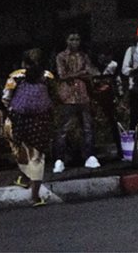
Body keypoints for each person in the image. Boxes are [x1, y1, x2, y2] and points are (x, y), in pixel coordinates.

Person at [4, 50, 55, 207]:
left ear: (24, 63)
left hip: (19, 120)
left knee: (21, 150)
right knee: (37, 158)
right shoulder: (48, 77)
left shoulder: (15, 76)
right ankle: (35, 196)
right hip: (40, 121)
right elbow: (54, 96)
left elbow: (5, 98)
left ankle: (24, 177)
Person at [53, 31, 102, 173]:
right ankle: (60, 159)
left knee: (88, 127)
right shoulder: (61, 56)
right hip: (68, 96)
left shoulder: (84, 56)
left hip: (83, 95)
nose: (75, 42)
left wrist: (82, 75)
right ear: (66, 40)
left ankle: (90, 156)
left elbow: (92, 72)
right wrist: (81, 74)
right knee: (64, 129)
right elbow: (62, 75)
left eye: (77, 39)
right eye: (72, 39)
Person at [90, 48, 124, 159]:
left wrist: (120, 95)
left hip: (109, 97)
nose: (104, 57)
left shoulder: (113, 66)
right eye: (102, 54)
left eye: (107, 54)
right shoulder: (92, 67)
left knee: (114, 123)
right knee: (93, 125)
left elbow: (118, 81)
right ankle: (93, 152)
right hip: (96, 98)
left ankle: (120, 149)